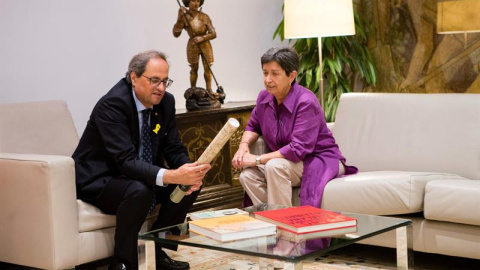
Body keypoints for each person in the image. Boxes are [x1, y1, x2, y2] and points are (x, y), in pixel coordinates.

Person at [72, 50, 211, 270]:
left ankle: (156, 250)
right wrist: (171, 175)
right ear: (134, 77)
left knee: (188, 187)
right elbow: (125, 161)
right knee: (140, 190)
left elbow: (173, 146)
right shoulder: (112, 105)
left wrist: (187, 169)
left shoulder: (165, 102)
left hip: (137, 175)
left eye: (165, 81)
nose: (162, 88)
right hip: (100, 179)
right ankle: (122, 262)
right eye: (155, 80)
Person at [232, 47, 357, 208]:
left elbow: (297, 149)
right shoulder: (264, 97)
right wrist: (243, 147)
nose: (268, 79)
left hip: (318, 160)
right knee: (248, 175)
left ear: (291, 76)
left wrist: (256, 159)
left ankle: (286, 228)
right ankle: (274, 221)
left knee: (274, 166)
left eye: (274, 74)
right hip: (286, 162)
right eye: (265, 73)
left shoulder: (305, 102)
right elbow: (253, 125)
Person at [173, 0, 218, 100]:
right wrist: (179, 18)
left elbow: (213, 33)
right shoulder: (184, 16)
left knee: (208, 68)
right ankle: (193, 90)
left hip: (205, 44)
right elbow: (176, 34)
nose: (195, 3)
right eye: (193, 0)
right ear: (188, 2)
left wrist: (202, 38)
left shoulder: (205, 16)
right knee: (194, 68)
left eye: (198, 1)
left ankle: (209, 90)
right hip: (192, 44)